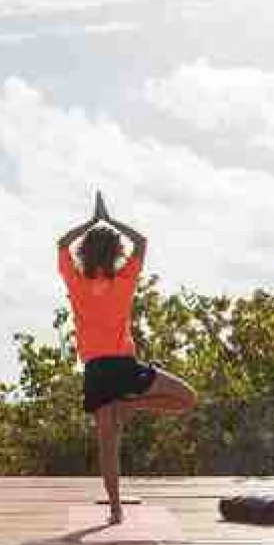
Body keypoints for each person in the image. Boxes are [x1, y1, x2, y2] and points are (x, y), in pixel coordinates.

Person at [55, 194, 198, 524]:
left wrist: (91, 222)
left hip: (97, 370)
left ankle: (116, 509)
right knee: (187, 398)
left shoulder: (76, 282)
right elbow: (142, 242)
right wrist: (111, 220)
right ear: (117, 253)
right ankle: (132, 406)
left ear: (85, 253)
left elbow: (61, 243)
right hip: (122, 366)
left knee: (107, 444)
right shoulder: (125, 279)